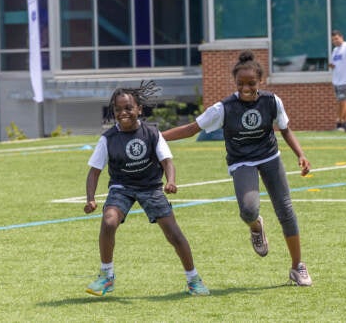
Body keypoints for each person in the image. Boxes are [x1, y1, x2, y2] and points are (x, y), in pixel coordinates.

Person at [162, 51, 313, 287]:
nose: (246, 88)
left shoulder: (272, 102)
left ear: (260, 82)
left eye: (251, 83)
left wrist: (301, 155)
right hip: (242, 161)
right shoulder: (223, 108)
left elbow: (285, 129)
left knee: (285, 210)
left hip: (270, 157)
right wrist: (158, 138)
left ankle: (297, 267)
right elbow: (193, 128)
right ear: (235, 83)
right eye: (241, 84)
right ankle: (256, 226)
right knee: (249, 210)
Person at [84, 81, 210, 297]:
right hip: (122, 187)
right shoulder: (108, 139)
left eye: (128, 108)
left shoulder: (152, 133)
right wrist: (90, 198)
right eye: (118, 109)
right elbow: (94, 171)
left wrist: (171, 181)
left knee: (174, 234)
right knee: (108, 221)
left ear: (139, 109)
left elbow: (167, 161)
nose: (123, 113)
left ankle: (193, 279)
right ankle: (106, 276)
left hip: (151, 187)